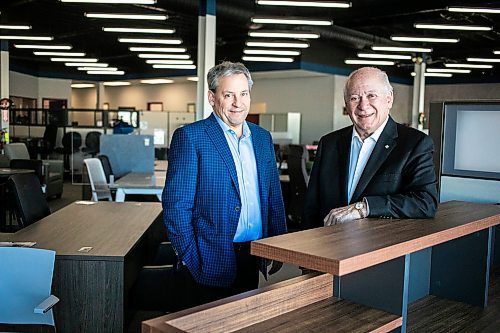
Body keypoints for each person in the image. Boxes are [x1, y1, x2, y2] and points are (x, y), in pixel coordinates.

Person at [162, 61, 287, 309]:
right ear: (212, 97)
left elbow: (273, 195)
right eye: (228, 95)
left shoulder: (262, 138)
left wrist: (279, 244)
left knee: (243, 323)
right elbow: (176, 206)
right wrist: (190, 257)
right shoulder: (191, 137)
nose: (237, 103)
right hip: (207, 257)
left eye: (243, 94)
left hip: (253, 254)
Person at [303, 67, 438, 228]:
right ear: (346, 103)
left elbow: (425, 202)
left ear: (389, 99)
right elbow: (312, 206)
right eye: (354, 98)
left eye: (371, 95)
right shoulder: (329, 143)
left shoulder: (415, 143)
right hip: (328, 246)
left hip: (379, 248)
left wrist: (365, 207)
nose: (363, 105)